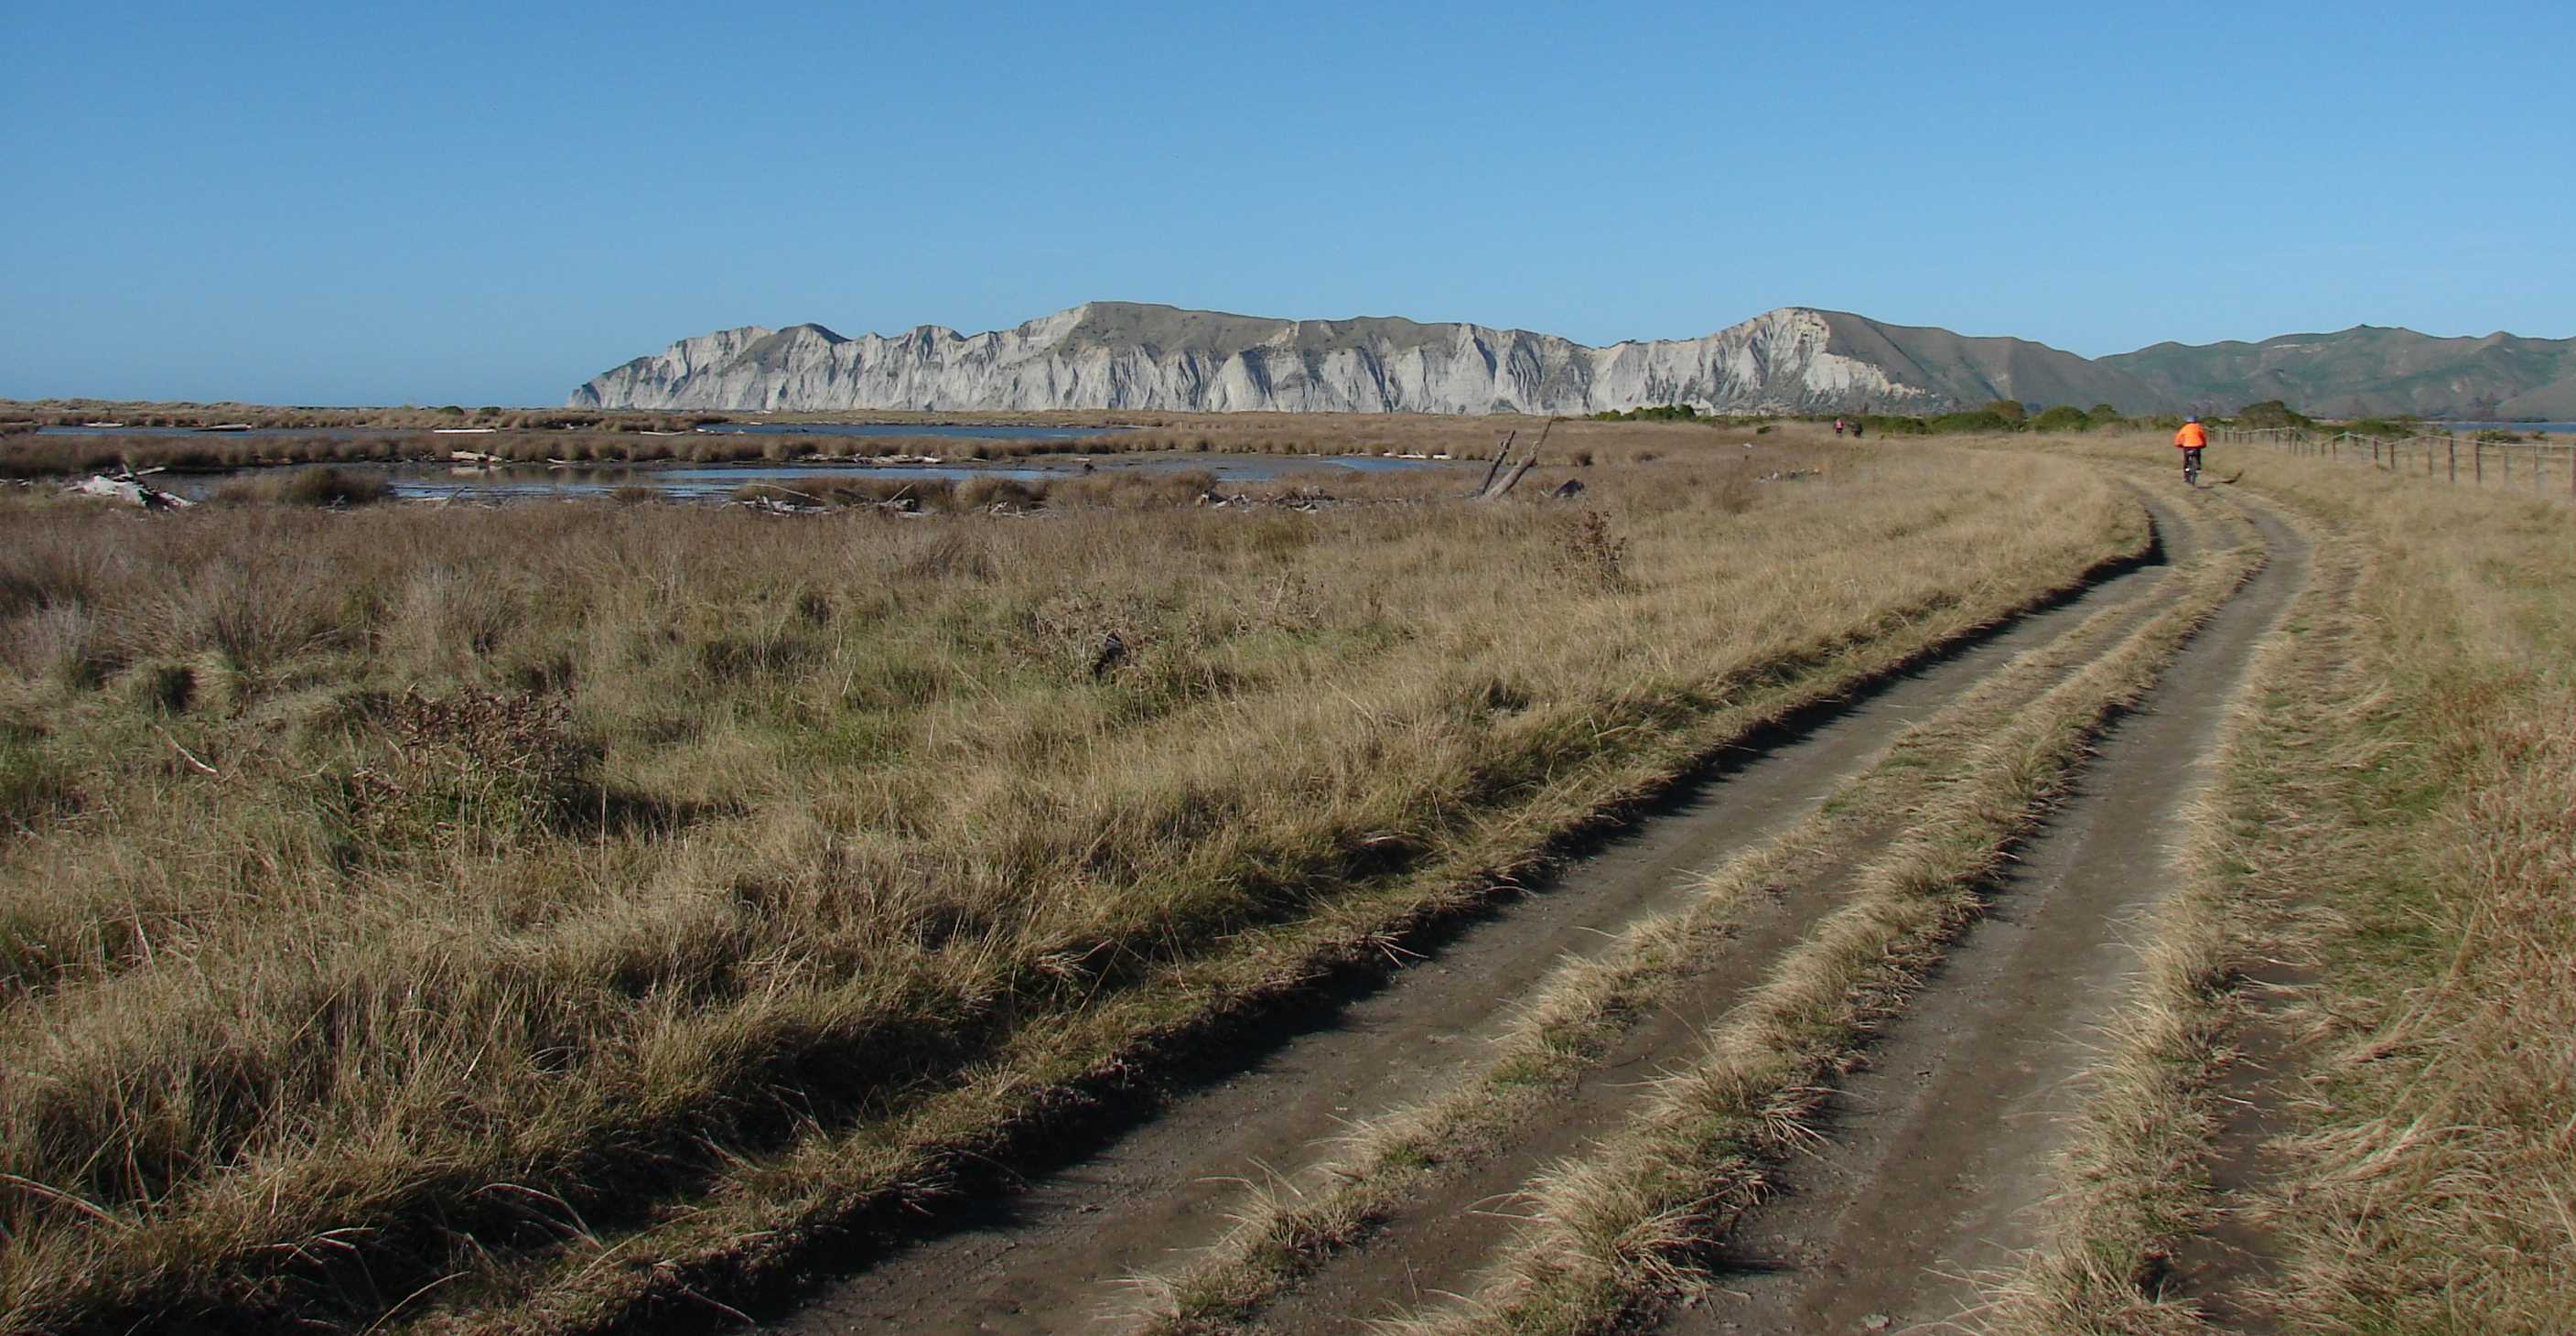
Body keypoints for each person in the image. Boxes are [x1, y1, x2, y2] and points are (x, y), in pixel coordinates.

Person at [2174, 415, 2207, 482]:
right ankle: (2198, 467)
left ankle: (2186, 472)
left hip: (2187, 446)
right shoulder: (2199, 427)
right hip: (2197, 445)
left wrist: (2177, 444)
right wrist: (2204, 444)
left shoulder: (2185, 428)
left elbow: (2178, 436)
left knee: (2186, 460)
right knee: (2198, 456)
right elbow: (2203, 436)